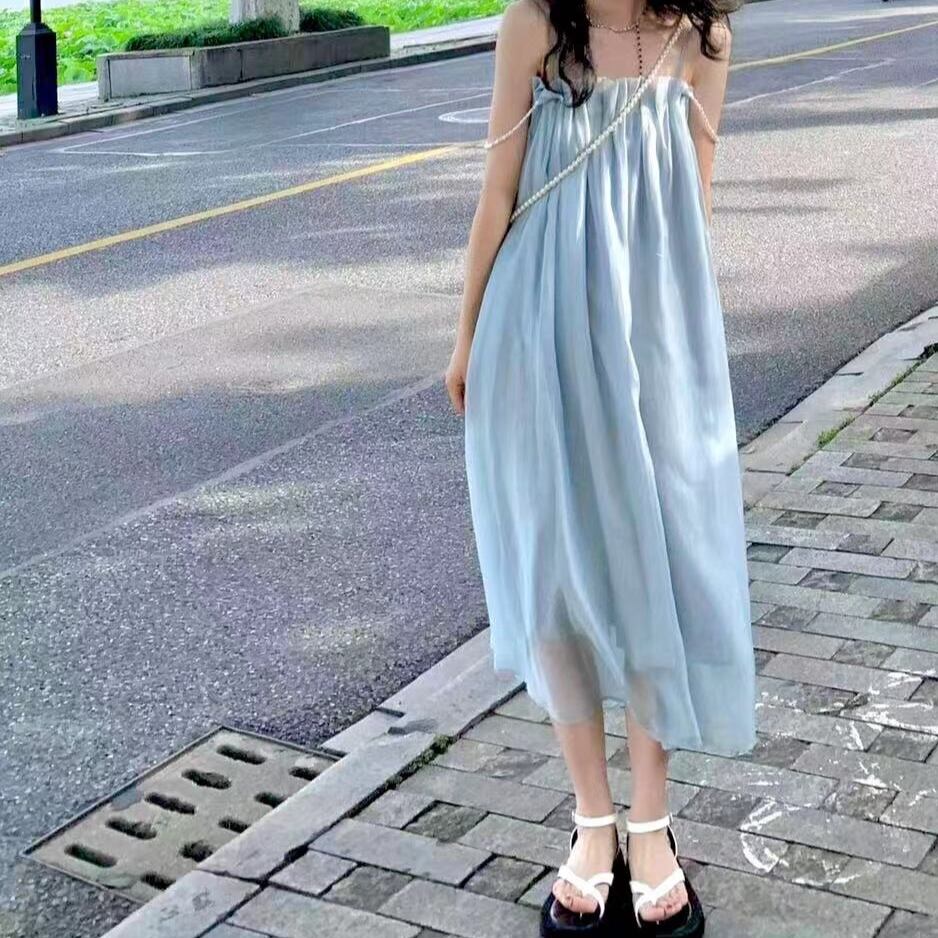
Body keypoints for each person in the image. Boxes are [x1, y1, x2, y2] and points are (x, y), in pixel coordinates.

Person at [445, 0, 757, 934]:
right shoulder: (533, 26)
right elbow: (498, 194)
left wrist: (682, 344)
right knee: (553, 571)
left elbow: (694, 200)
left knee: (659, 561)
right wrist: (466, 339)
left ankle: (650, 823)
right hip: (536, 329)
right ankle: (592, 818)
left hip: (652, 332)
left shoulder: (703, 36)